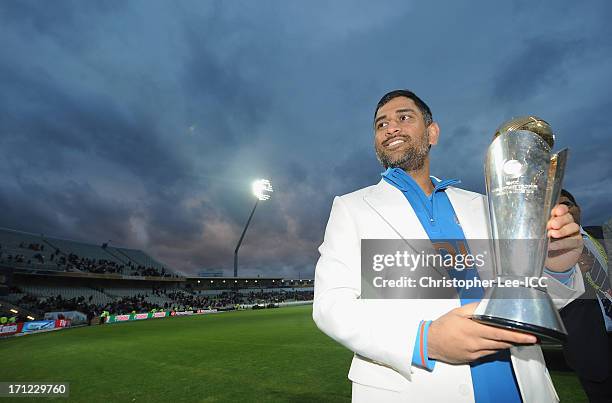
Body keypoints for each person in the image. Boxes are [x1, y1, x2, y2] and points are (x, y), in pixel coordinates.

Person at [313, 90, 585, 403]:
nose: (391, 128)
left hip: (520, 387)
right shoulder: (351, 208)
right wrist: (424, 341)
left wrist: (557, 267)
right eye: (381, 124)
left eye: (404, 117)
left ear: (432, 133)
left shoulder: (486, 205)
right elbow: (331, 306)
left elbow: (524, 296)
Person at [558, 189, 612, 403]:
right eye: (556, 207)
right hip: (590, 347)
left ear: (578, 208)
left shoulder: (601, 234)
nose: (563, 210)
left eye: (568, 204)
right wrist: (572, 276)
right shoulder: (544, 251)